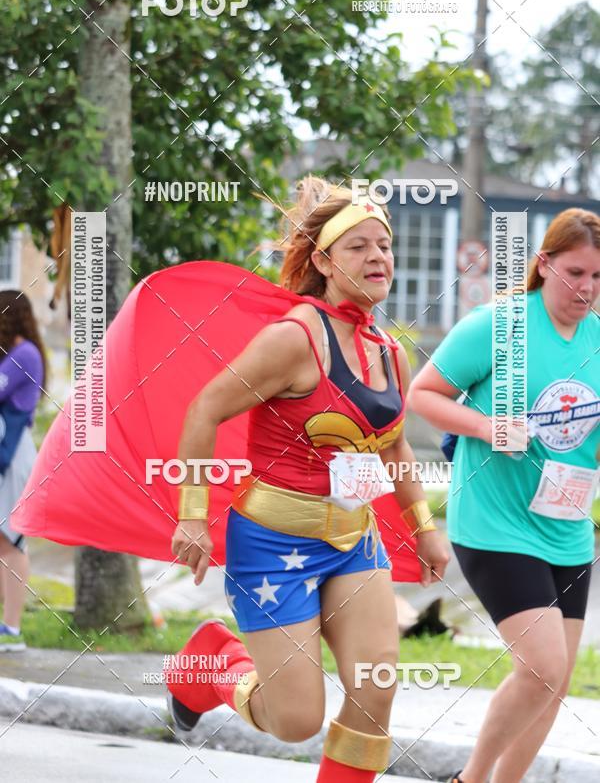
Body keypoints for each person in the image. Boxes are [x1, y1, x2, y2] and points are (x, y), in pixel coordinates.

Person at [166, 176, 449, 781]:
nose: (378, 257)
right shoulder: (292, 340)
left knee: (376, 692)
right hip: (273, 543)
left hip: (354, 539)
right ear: (322, 261)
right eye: (358, 247)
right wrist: (192, 514)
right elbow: (204, 409)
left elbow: (394, 441)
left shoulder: (389, 350)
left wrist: (424, 528)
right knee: (294, 720)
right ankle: (210, 663)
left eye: (384, 245)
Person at [408, 208, 600, 783]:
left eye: (598, 277)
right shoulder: (501, 325)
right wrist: (487, 426)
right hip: (495, 522)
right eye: (574, 273)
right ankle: (470, 779)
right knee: (541, 667)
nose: (586, 288)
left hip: (566, 524)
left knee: (558, 679)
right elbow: (424, 394)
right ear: (543, 265)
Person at [0, 290, 46, 652]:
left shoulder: (24, 354)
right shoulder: (15, 354)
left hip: (13, 455)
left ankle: (12, 631)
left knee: (11, 538)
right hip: (7, 453)